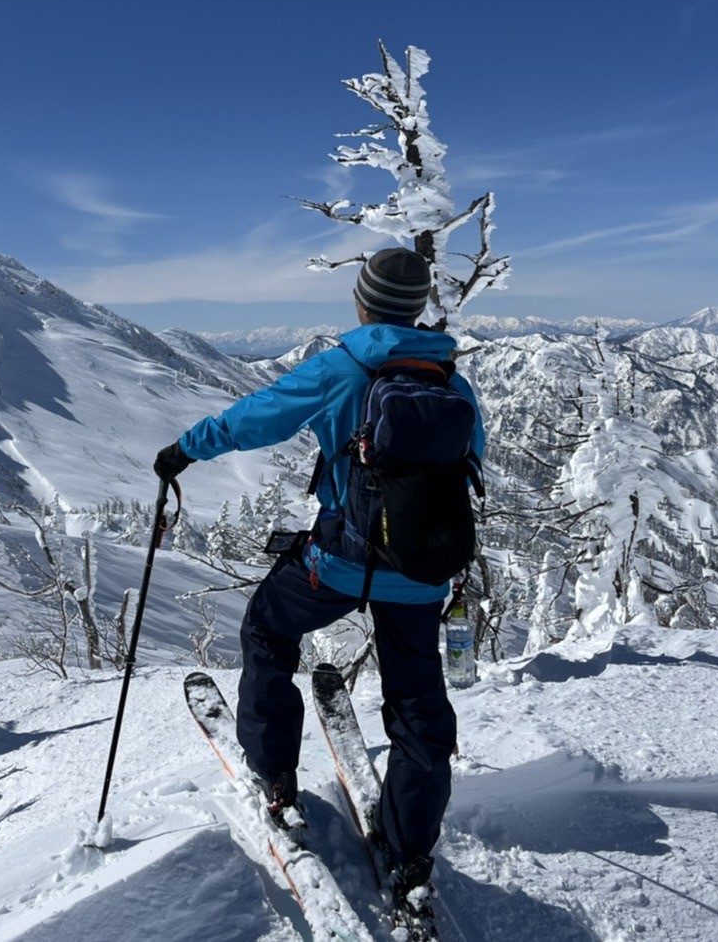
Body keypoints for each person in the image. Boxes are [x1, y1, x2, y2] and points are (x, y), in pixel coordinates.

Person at [153, 247, 485, 900]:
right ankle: (411, 850)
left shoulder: (341, 368)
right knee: (418, 708)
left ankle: (277, 778)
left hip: (336, 565)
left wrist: (183, 451)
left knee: (269, 631)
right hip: (422, 575)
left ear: (362, 302)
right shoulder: (455, 383)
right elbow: (469, 471)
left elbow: (254, 419)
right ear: (418, 308)